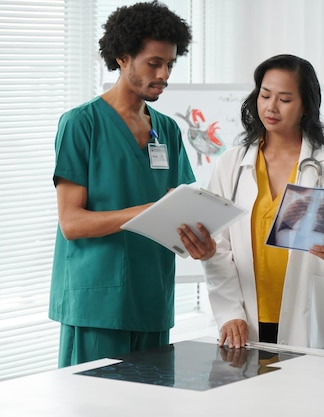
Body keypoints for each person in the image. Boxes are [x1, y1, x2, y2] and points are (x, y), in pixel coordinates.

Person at [178, 54, 324, 351]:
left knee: (305, 396)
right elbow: (217, 246)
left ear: (305, 106)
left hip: (308, 318)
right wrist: (229, 313)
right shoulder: (232, 163)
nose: (270, 107)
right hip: (246, 322)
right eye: (265, 95)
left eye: (285, 99)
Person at [49, 1, 193, 367]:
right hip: (98, 305)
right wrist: (147, 211)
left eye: (170, 64)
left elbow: (179, 209)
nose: (164, 74)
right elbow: (72, 223)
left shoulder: (168, 130)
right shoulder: (82, 124)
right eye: (154, 63)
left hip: (153, 300)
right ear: (123, 57)